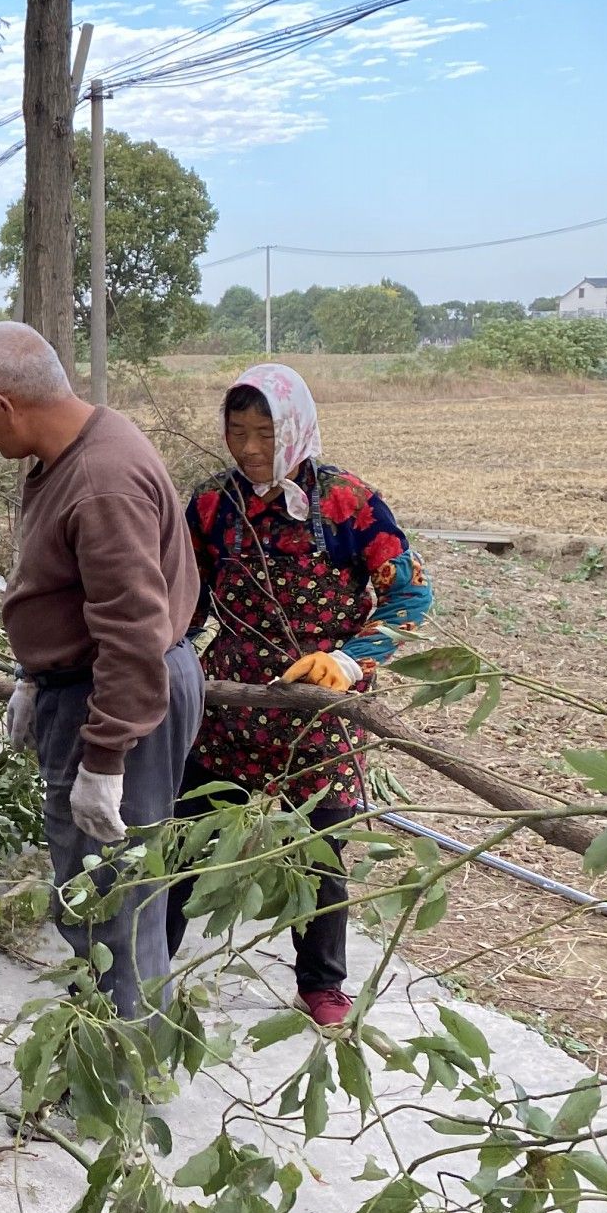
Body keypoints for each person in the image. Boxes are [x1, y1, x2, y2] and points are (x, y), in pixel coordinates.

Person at [167, 364, 433, 1029]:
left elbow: (409, 595)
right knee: (186, 835)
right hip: (231, 706)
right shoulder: (211, 505)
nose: (250, 448)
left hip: (321, 710)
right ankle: (147, 962)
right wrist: (167, 654)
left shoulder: (348, 503)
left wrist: (350, 659)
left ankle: (321, 984)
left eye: (266, 432)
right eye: (237, 432)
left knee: (320, 853)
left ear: (298, 428)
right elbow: (185, 595)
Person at [0, 322, 202, 1021]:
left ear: (3, 406)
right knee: (96, 891)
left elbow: (132, 632)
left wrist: (106, 757)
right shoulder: (72, 453)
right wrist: (33, 675)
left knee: (113, 901)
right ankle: (106, 1029)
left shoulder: (100, 481)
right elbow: (74, 591)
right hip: (87, 686)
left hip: (120, 696)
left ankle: (124, 1060)